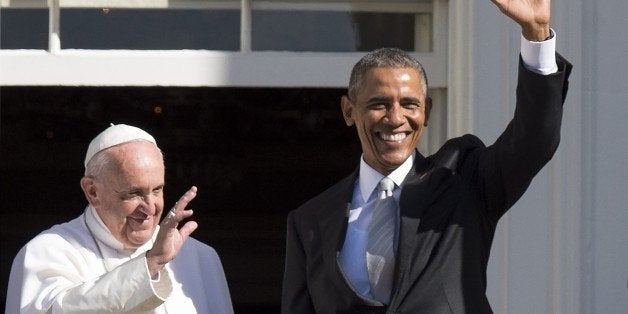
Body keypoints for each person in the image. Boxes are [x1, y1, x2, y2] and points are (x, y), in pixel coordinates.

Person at [281, 0, 572, 313]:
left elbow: (534, 141)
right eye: (379, 104)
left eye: (410, 104)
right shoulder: (310, 220)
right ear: (349, 111)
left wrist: (536, 33)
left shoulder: (464, 180)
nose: (395, 118)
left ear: (427, 110)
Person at [6, 124, 233, 313]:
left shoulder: (201, 257)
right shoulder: (48, 251)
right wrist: (151, 264)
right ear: (92, 191)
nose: (150, 207)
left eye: (157, 190)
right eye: (133, 193)